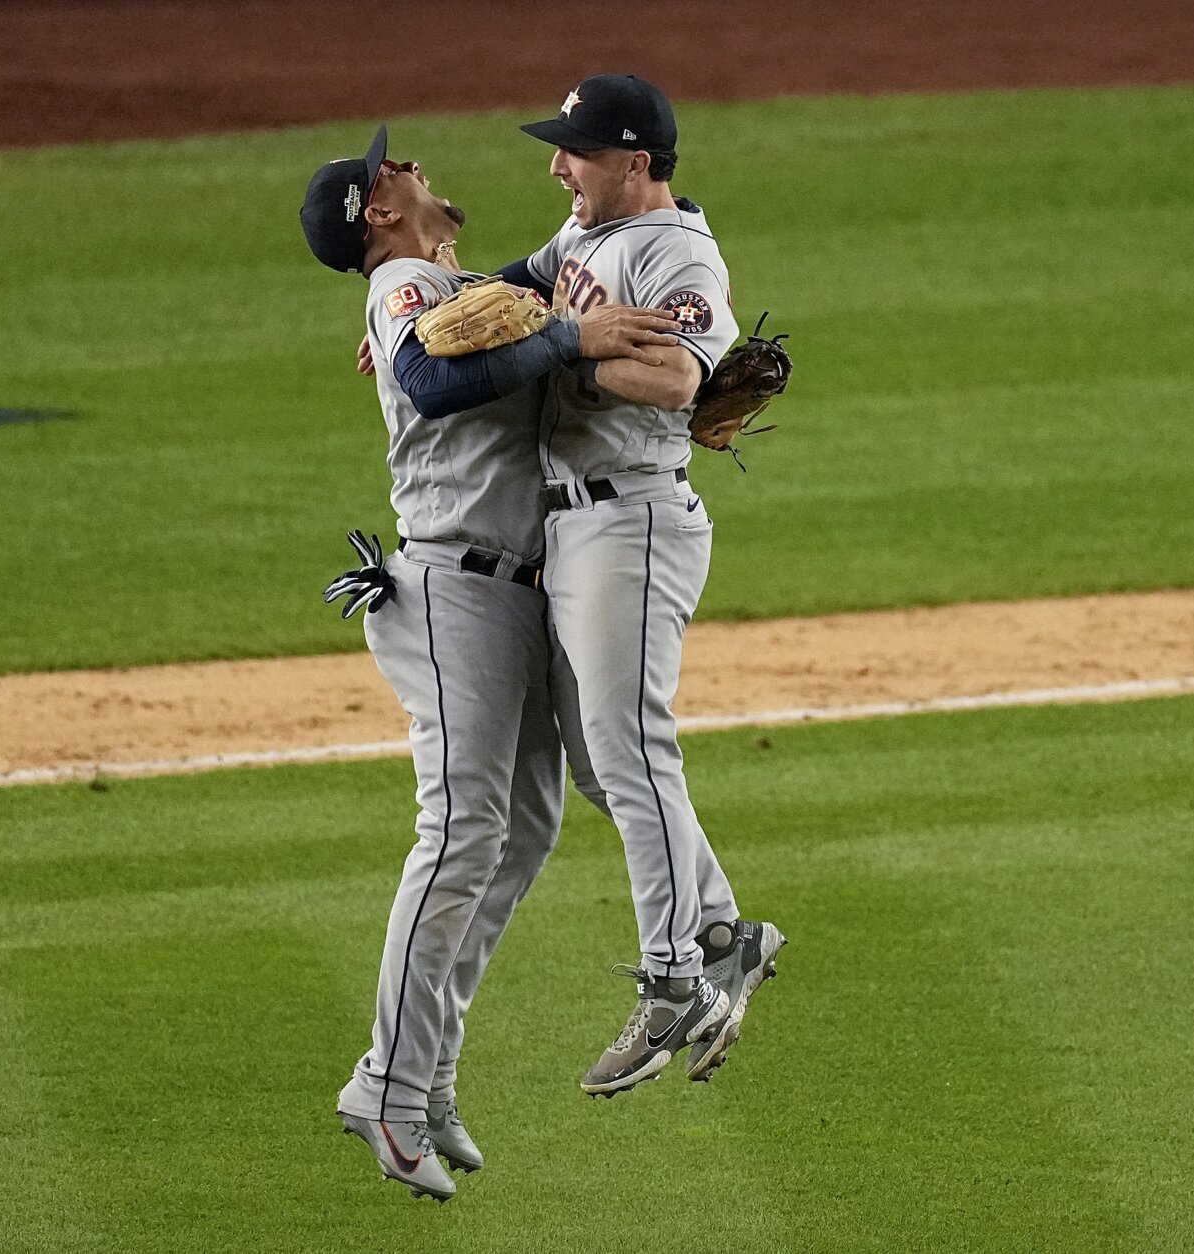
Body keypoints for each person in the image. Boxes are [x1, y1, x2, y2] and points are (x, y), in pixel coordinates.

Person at [300, 125, 682, 1201]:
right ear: (381, 212)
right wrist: (568, 340)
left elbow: (538, 281)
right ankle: (385, 1084)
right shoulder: (408, 281)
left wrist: (603, 267)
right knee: (462, 827)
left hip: (506, 588)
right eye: (397, 169)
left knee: (520, 828)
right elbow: (427, 378)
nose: (416, 165)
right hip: (453, 588)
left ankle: (423, 1074)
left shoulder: (447, 278)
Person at [497, 75, 787, 1098]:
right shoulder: (578, 240)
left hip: (634, 520)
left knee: (629, 747)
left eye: (573, 150)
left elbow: (675, 380)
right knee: (596, 760)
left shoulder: (677, 254)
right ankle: (720, 932)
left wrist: (558, 351)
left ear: (635, 160)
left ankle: (673, 979)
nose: (555, 164)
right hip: (573, 524)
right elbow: (507, 292)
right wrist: (420, 323)